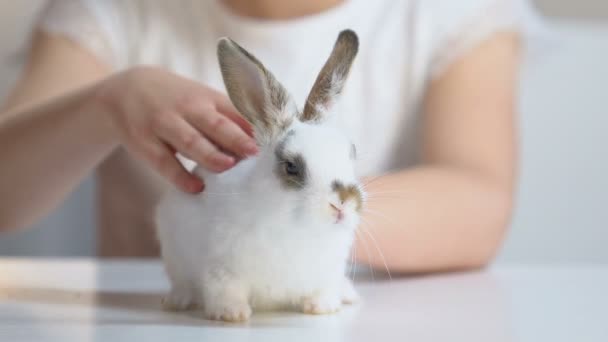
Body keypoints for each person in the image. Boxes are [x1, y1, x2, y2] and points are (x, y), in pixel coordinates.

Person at [0, 0, 539, 272]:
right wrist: (105, 104)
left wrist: (287, 209)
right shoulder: (111, 13)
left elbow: (479, 200)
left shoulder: (452, 14)